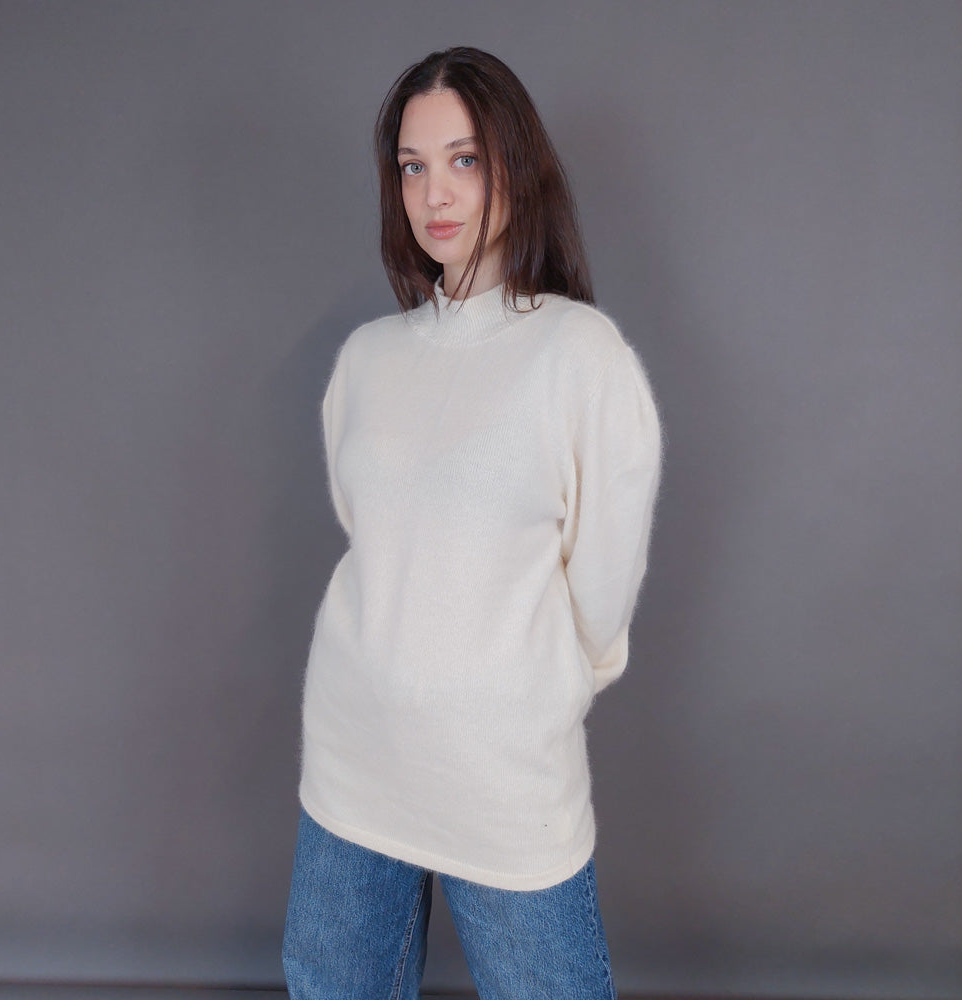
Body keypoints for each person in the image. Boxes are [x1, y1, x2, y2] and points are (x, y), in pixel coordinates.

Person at [282, 47, 662, 1000]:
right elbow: (379, 536)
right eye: (413, 166)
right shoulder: (369, 359)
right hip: (353, 762)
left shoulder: (578, 355)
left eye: (464, 160)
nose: (435, 194)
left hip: (500, 772)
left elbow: (603, 583)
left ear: (515, 168)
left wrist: (526, 692)